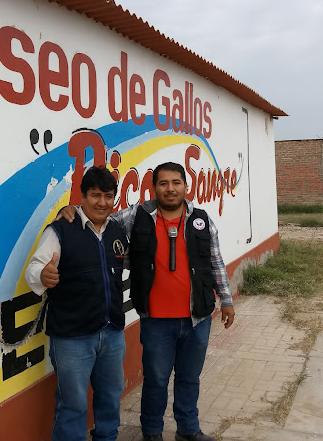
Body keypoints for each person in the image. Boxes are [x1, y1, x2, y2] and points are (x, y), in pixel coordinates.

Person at [59, 162, 235, 441]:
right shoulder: (136, 217)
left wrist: (226, 299)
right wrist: (69, 212)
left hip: (197, 317)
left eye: (176, 183)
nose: (170, 189)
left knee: (189, 378)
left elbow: (215, 260)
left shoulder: (201, 220)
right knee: (155, 380)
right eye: (163, 183)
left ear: (185, 187)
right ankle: (152, 431)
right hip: (156, 319)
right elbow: (99, 218)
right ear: (154, 188)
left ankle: (188, 428)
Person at [25, 166, 129, 441]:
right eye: (95, 195)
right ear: (81, 196)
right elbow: (34, 268)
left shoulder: (116, 230)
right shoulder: (60, 230)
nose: (102, 202)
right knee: (73, 405)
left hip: (113, 333)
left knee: (110, 397)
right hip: (72, 338)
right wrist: (42, 275)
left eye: (108, 196)